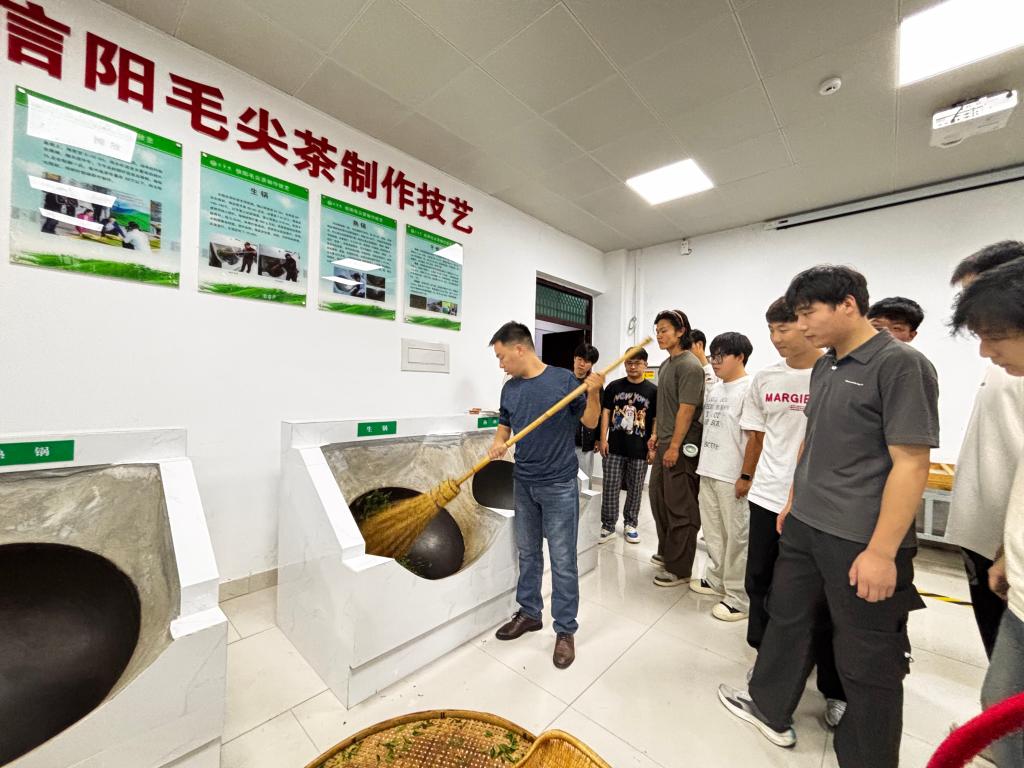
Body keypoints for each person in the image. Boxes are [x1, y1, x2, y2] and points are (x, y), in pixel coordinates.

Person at [719, 265, 938, 768]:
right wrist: (793, 500)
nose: (800, 326)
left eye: (807, 313)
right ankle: (769, 707)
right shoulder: (827, 366)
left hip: (860, 537)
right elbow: (811, 441)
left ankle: (866, 757)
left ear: (848, 304)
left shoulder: (901, 364)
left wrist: (882, 551)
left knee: (869, 656)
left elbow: (911, 462)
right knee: (788, 619)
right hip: (805, 523)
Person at [740, 297, 847, 725]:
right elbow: (758, 437)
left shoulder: (835, 373)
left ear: (804, 324)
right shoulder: (766, 378)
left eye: (783, 328)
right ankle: (767, 662)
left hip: (815, 505)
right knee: (760, 582)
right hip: (767, 496)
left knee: (819, 599)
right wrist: (747, 478)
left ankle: (833, 687)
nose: (776, 338)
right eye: (771, 329)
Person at [488, 322, 603, 670]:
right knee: (528, 552)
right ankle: (530, 613)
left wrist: (594, 392)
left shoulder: (563, 381)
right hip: (523, 481)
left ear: (519, 349)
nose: (500, 364)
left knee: (563, 559)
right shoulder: (510, 389)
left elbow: (591, 422)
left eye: (501, 356)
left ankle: (565, 630)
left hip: (558, 484)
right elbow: (505, 426)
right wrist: (498, 442)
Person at [949, 257, 1024, 767]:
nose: (982, 345)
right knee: (1000, 690)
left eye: (991, 330)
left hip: (1005, 547)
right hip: (1001, 548)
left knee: (1003, 695)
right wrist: (1005, 549)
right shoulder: (1002, 367)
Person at [692, 332, 753, 622]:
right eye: (712, 356)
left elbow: (756, 438)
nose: (714, 362)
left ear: (740, 357)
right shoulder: (716, 389)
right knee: (714, 532)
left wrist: (746, 475)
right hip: (708, 469)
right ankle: (716, 578)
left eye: (720, 356)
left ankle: (739, 598)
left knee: (737, 537)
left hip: (732, 475)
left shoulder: (749, 388)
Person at [648, 309, 705, 587]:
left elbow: (686, 410)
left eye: (664, 330)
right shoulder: (666, 364)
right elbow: (665, 406)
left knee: (681, 505)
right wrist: (656, 435)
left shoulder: (690, 366)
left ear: (681, 331)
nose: (659, 335)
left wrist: (674, 447)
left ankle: (680, 568)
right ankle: (668, 551)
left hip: (680, 446)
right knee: (658, 497)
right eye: (657, 331)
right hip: (665, 441)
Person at [596, 347, 656, 544]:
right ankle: (608, 525)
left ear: (645, 365)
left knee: (636, 488)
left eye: (637, 363)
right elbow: (605, 412)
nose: (633, 367)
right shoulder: (614, 387)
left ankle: (631, 524)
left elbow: (655, 419)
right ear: (624, 364)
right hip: (614, 447)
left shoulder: (653, 391)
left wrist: (652, 446)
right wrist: (603, 439)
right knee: (610, 487)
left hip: (640, 449)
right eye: (629, 363)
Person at [572, 343, 601, 480]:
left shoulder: (595, 386)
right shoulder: (564, 381)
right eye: (580, 359)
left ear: (591, 364)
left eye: (587, 361)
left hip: (585, 441)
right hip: (563, 441)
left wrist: (599, 438)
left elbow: (599, 413)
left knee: (583, 480)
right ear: (574, 359)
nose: (582, 364)